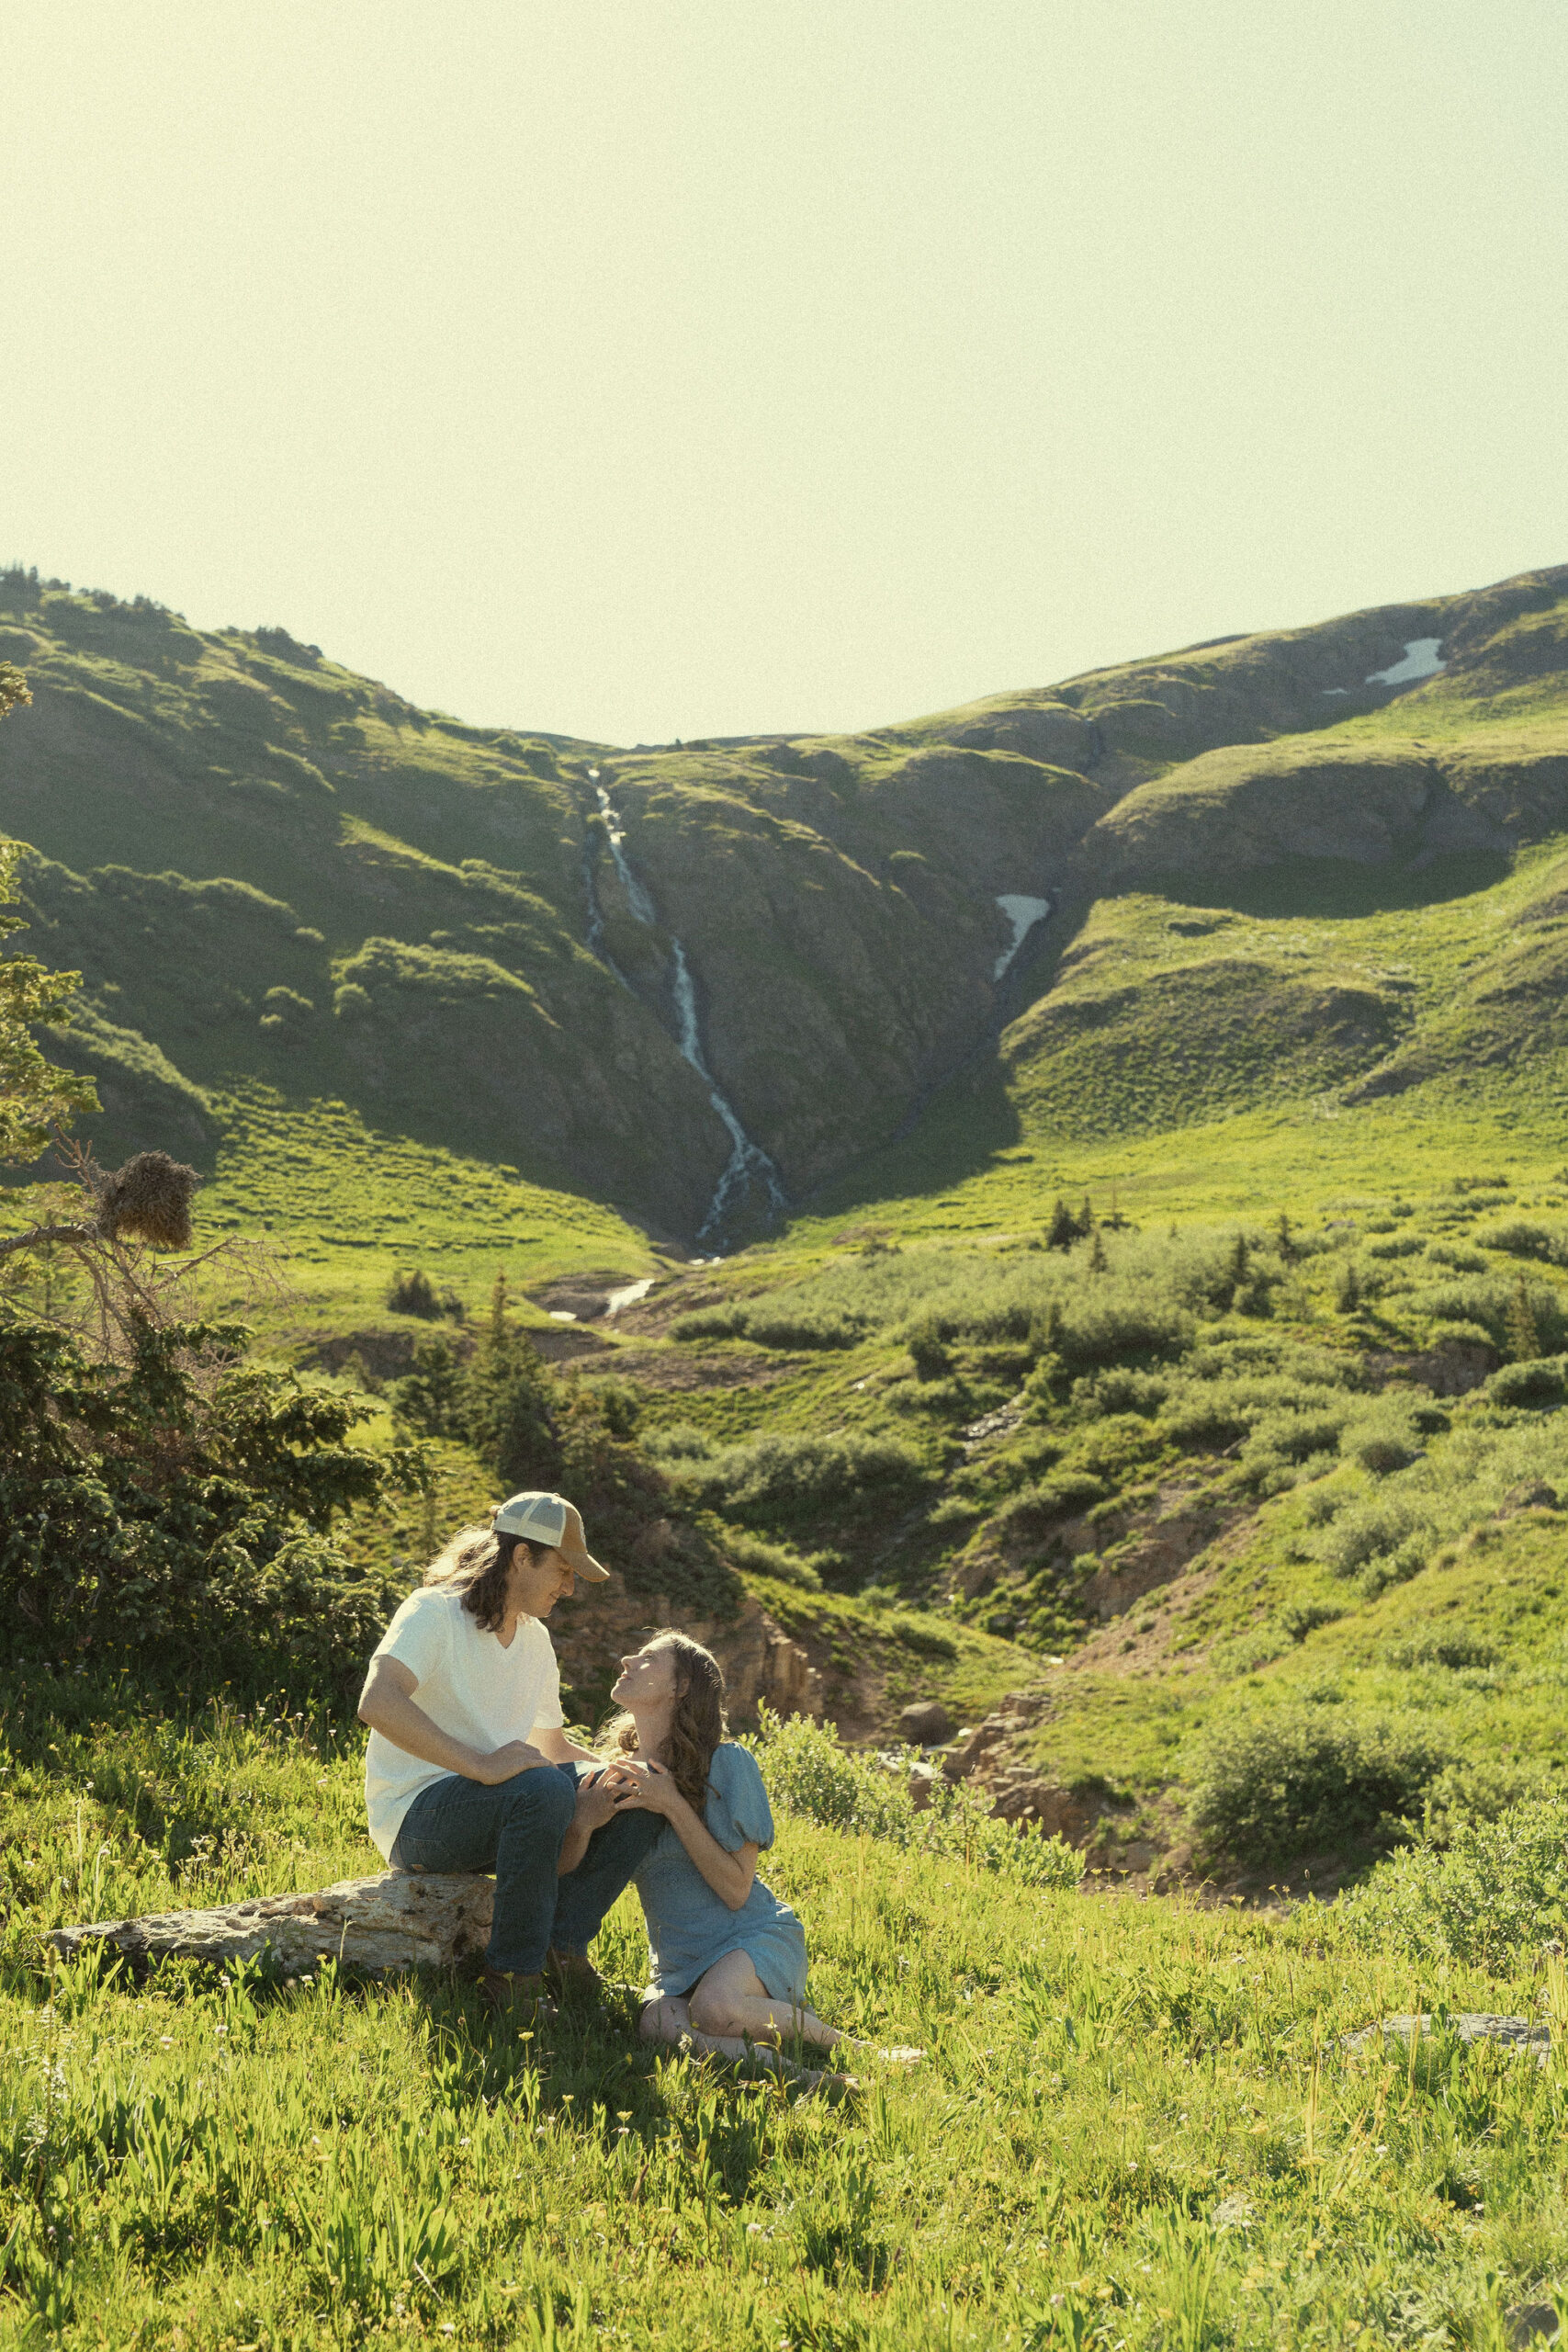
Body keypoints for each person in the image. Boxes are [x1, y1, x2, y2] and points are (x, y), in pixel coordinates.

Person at [356, 1492, 662, 2017]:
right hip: (418, 1817)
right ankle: (512, 1983)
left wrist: (621, 1775)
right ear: (521, 1556)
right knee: (541, 1789)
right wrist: (478, 1764)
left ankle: (561, 1951)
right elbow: (377, 1700)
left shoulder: (535, 1639)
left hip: (505, 1804)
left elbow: (550, 1746)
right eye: (563, 1571)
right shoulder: (433, 1611)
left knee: (632, 1796)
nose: (569, 1588)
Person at [599, 1631, 921, 2086]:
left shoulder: (727, 1764)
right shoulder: (615, 1777)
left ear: (681, 1687)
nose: (629, 1658)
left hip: (749, 1939)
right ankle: (801, 2077)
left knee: (714, 2010)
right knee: (656, 2024)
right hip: (678, 1966)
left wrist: (671, 1803)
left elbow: (736, 1890)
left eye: (649, 1658)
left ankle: (857, 2050)